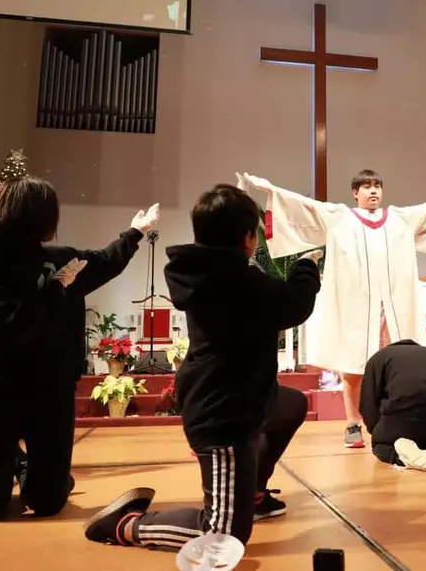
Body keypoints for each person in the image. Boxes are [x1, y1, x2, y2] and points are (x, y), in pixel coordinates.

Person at [84, 184, 320, 550]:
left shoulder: (205, 272)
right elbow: (293, 305)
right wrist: (307, 266)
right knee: (224, 535)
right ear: (246, 238)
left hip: (238, 395)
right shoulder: (236, 280)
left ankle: (252, 492)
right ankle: (127, 525)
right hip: (225, 415)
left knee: (291, 405)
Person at [237, 170, 426, 449]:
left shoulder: (400, 218)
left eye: (377, 186)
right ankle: (352, 423)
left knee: (399, 364)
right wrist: (272, 190)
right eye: (366, 187)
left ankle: (392, 421)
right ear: (356, 192)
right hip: (357, 306)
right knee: (353, 366)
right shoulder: (339, 216)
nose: (373, 191)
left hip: (393, 308)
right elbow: (305, 208)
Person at [0, 176, 156, 521]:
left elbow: (102, 261)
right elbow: (9, 324)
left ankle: (36, 475)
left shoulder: (58, 259)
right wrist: (55, 290)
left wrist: (134, 232)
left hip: (50, 389)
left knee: (48, 502)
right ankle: (18, 466)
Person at [360, 339, 426, 471]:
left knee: (380, 444)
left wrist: (379, 431)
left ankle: (401, 456)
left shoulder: (379, 358)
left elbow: (368, 404)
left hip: (410, 417)